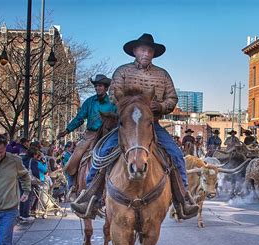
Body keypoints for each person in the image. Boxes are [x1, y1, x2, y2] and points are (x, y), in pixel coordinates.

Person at [70, 33, 198, 218]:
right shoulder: (122, 72)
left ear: (153, 54)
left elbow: (172, 98)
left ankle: (183, 198)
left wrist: (160, 106)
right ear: (135, 51)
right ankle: (90, 195)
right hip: (126, 123)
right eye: (143, 49)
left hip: (151, 123)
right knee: (102, 153)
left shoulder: (162, 75)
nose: (146, 53)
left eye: (150, 50)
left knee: (176, 154)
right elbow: (114, 95)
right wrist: (131, 104)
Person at [57, 74, 117, 191]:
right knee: (73, 161)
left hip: (109, 136)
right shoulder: (89, 102)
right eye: (96, 86)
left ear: (105, 87)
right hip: (91, 135)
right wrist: (67, 130)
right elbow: (79, 118)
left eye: (100, 86)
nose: (97, 88)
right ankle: (73, 185)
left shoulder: (113, 103)